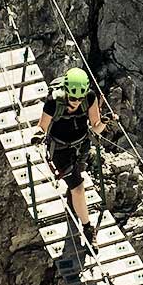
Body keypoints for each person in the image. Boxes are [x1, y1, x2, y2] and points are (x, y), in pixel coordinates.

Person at [32, 67, 108, 246]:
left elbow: (95, 126)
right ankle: (88, 228)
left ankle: (73, 200)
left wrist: (104, 123)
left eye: (79, 98)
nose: (76, 102)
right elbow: (41, 127)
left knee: (76, 183)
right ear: (66, 92)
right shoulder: (53, 103)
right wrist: (37, 136)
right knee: (78, 187)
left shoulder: (89, 98)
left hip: (81, 146)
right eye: (73, 98)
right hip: (60, 151)